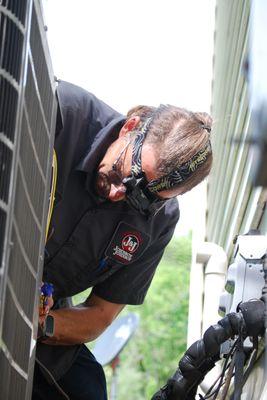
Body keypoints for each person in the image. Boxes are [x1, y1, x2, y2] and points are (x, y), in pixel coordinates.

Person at [32, 80, 213, 400]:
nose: (118, 194)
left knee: (88, 388)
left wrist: (44, 324)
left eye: (142, 199)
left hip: (40, 309)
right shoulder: (61, 112)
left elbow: (100, 315)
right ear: (130, 128)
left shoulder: (159, 223)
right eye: (123, 176)